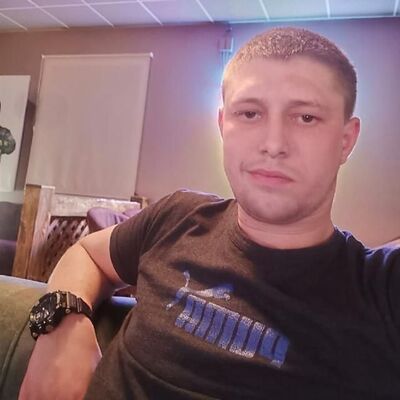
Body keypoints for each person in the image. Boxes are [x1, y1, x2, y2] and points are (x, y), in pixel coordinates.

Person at [19, 27, 400, 400]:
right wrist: (63, 323)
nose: (273, 144)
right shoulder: (178, 217)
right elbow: (86, 254)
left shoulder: (379, 289)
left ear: (346, 140)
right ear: (223, 126)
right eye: (249, 113)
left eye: (306, 118)